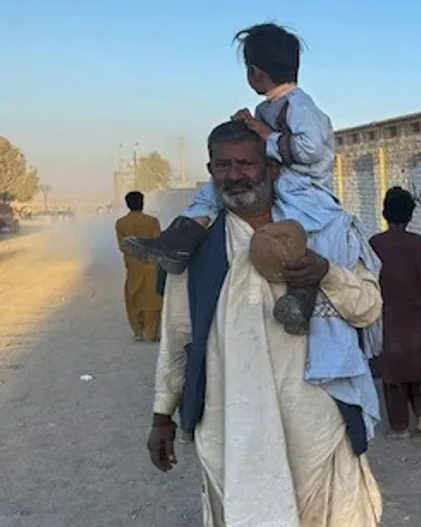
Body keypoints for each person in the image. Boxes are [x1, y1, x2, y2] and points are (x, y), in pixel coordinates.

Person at [147, 121, 402, 527]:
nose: (236, 176)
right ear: (211, 172)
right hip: (235, 423)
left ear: (272, 169)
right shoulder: (199, 248)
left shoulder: (324, 228)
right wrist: (163, 413)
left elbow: (368, 307)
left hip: (317, 418)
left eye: (247, 164)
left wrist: (326, 273)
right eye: (224, 165)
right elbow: (178, 334)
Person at [123, 23, 377, 336]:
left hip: (304, 188)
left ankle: (300, 301)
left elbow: (310, 149)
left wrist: (266, 135)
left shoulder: (300, 106)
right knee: (209, 195)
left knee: (294, 240)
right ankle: (178, 242)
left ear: (255, 73)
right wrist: (250, 127)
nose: (233, 172)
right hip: (280, 180)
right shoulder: (267, 107)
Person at [370, 187, 421, 438]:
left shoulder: (375, 244)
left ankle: (400, 426)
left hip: (388, 315)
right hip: (418, 312)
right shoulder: (418, 243)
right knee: (420, 366)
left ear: (385, 213)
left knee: (393, 371)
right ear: (410, 214)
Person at [114, 191, 163, 342]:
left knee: (134, 298)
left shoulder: (121, 223)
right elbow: (157, 243)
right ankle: (152, 333)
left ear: (127, 204)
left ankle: (138, 331)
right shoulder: (152, 221)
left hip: (133, 267)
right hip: (151, 266)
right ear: (142, 203)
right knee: (153, 300)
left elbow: (122, 246)